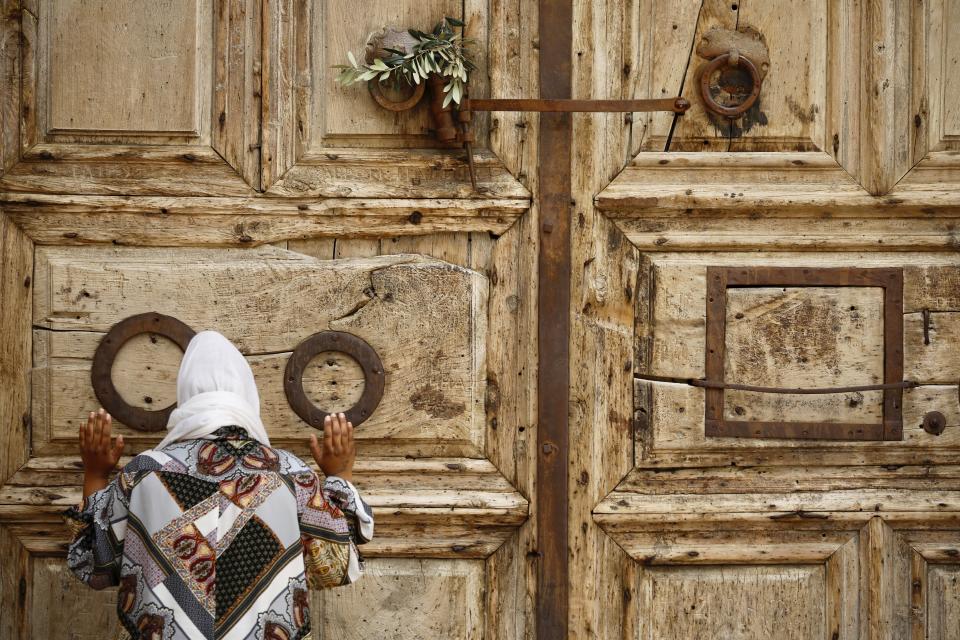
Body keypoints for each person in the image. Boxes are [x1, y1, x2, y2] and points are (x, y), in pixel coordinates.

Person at [62, 330, 373, 640]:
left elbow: (94, 563)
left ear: (184, 394)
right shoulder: (291, 474)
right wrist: (340, 474)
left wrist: (95, 475)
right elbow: (335, 566)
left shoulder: (142, 474)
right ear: (249, 395)